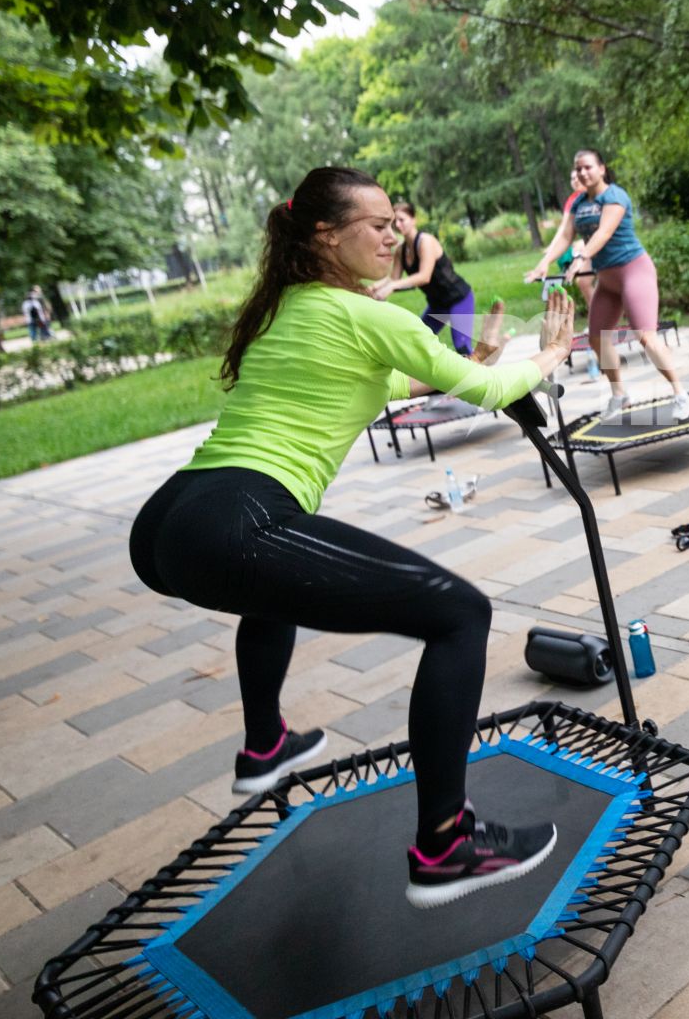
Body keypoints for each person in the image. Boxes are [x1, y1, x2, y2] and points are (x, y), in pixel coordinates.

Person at [129, 166, 576, 909]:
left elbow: (395, 385)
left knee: (270, 587)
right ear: (325, 235)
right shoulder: (371, 316)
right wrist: (551, 352)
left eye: (395, 222)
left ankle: (264, 744)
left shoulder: (291, 308)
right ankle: (445, 844)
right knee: (460, 614)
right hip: (235, 516)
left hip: (172, 520)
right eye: (376, 223)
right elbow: (491, 395)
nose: (394, 233)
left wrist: (480, 358)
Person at [529, 150, 689, 421]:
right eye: (578, 168)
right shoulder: (579, 204)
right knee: (596, 338)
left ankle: (680, 393)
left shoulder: (614, 195)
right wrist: (544, 262)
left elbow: (604, 232)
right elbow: (565, 236)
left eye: (588, 167)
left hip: (633, 272)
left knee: (646, 336)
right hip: (607, 281)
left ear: (602, 169)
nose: (582, 172)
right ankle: (619, 395)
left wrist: (581, 257)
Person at [373, 201, 477, 355]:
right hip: (437, 305)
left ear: (413, 219)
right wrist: (374, 287)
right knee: (417, 343)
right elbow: (393, 279)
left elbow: (424, 276)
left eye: (402, 219)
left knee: (462, 347)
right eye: (394, 221)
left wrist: (392, 287)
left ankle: (485, 375)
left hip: (458, 298)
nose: (398, 224)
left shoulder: (425, 241)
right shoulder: (401, 250)